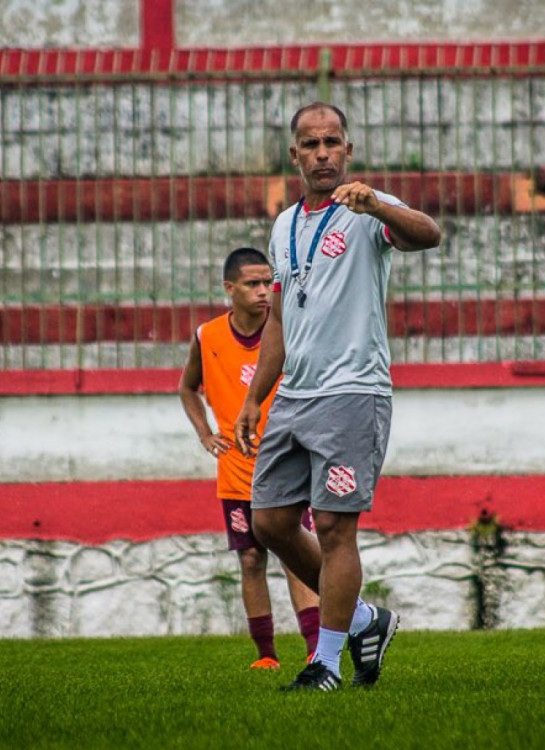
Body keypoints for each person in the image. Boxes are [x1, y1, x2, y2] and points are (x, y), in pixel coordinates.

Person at [234, 103, 442, 691]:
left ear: (347, 150)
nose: (323, 153)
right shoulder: (283, 225)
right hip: (295, 396)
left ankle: (324, 663)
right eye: (311, 143)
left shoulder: (366, 209)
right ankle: (362, 620)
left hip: (352, 392)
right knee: (270, 523)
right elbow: (279, 320)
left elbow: (429, 235)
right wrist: (257, 397)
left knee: (332, 526)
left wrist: (377, 204)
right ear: (294, 155)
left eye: (332, 142)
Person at [179, 246, 321, 670]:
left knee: (296, 555)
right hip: (237, 469)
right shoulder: (208, 336)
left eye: (267, 283)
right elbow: (188, 387)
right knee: (251, 557)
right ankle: (266, 655)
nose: (263, 292)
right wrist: (205, 434)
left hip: (289, 462)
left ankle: (315, 647)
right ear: (230, 288)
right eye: (253, 284)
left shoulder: (289, 330)